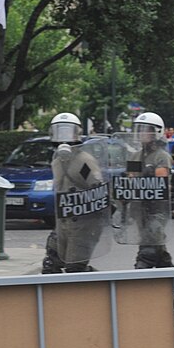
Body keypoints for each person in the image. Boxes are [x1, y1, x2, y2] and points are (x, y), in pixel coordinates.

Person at [41, 112, 105, 274]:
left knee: (75, 269)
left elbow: (97, 189)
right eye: (59, 132)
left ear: (77, 134)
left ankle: (93, 286)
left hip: (83, 223)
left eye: (68, 132)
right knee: (51, 265)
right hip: (63, 222)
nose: (63, 138)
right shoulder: (56, 161)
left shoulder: (83, 161)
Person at [128, 112, 174, 269]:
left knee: (148, 249)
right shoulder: (134, 156)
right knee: (157, 247)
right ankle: (170, 275)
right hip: (139, 208)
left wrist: (146, 176)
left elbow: (161, 185)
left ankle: (141, 274)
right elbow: (131, 180)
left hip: (157, 209)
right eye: (140, 129)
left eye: (146, 129)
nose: (142, 133)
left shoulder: (162, 157)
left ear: (157, 132)